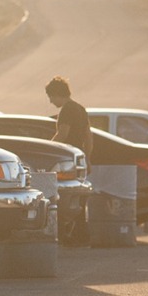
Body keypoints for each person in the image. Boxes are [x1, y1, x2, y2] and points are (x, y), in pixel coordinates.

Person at [46, 76, 94, 245]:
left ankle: (64, 235)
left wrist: (47, 148)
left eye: (51, 97)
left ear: (58, 94)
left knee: (61, 198)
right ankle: (81, 235)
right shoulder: (80, 109)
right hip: (79, 158)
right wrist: (87, 158)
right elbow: (88, 136)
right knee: (78, 199)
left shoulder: (66, 110)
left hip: (66, 160)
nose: (51, 101)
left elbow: (63, 134)